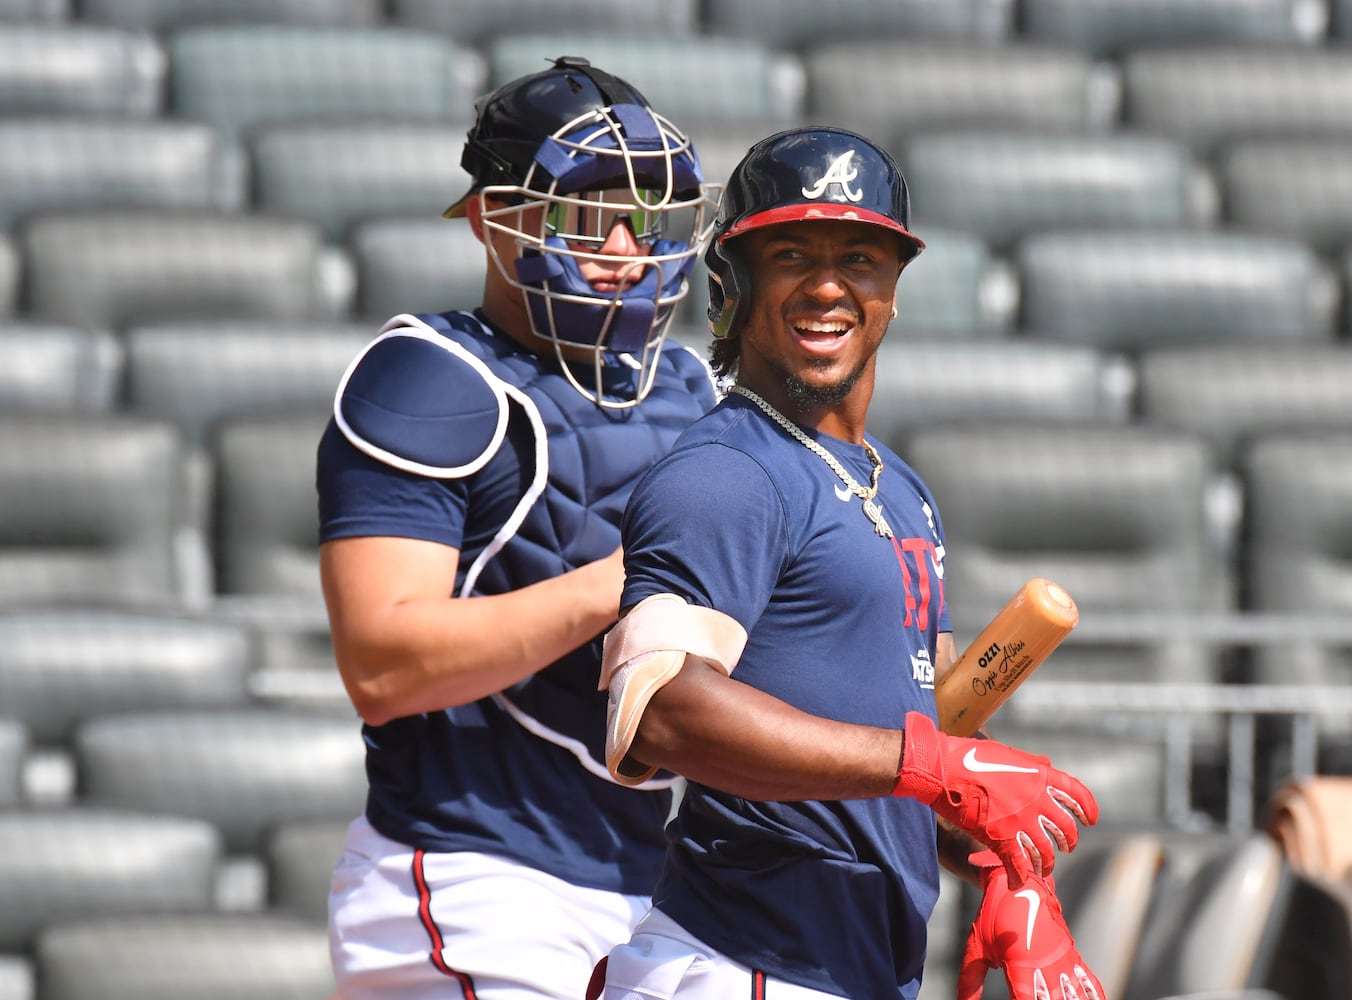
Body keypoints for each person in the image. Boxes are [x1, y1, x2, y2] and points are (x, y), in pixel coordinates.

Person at [590, 127, 1107, 1000]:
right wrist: (936, 766)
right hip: (742, 961)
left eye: (861, 257)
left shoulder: (903, 490)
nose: (828, 285)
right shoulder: (727, 470)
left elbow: (920, 741)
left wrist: (1007, 869)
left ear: (894, 291)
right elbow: (659, 712)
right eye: (791, 253)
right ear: (733, 287)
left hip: (853, 971)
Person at [315, 56, 720, 999]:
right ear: (502, 221)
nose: (624, 246)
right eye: (589, 213)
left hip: (656, 889)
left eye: (645, 217)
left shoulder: (694, 389)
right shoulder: (431, 376)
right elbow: (381, 664)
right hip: (476, 881)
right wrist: (633, 580)